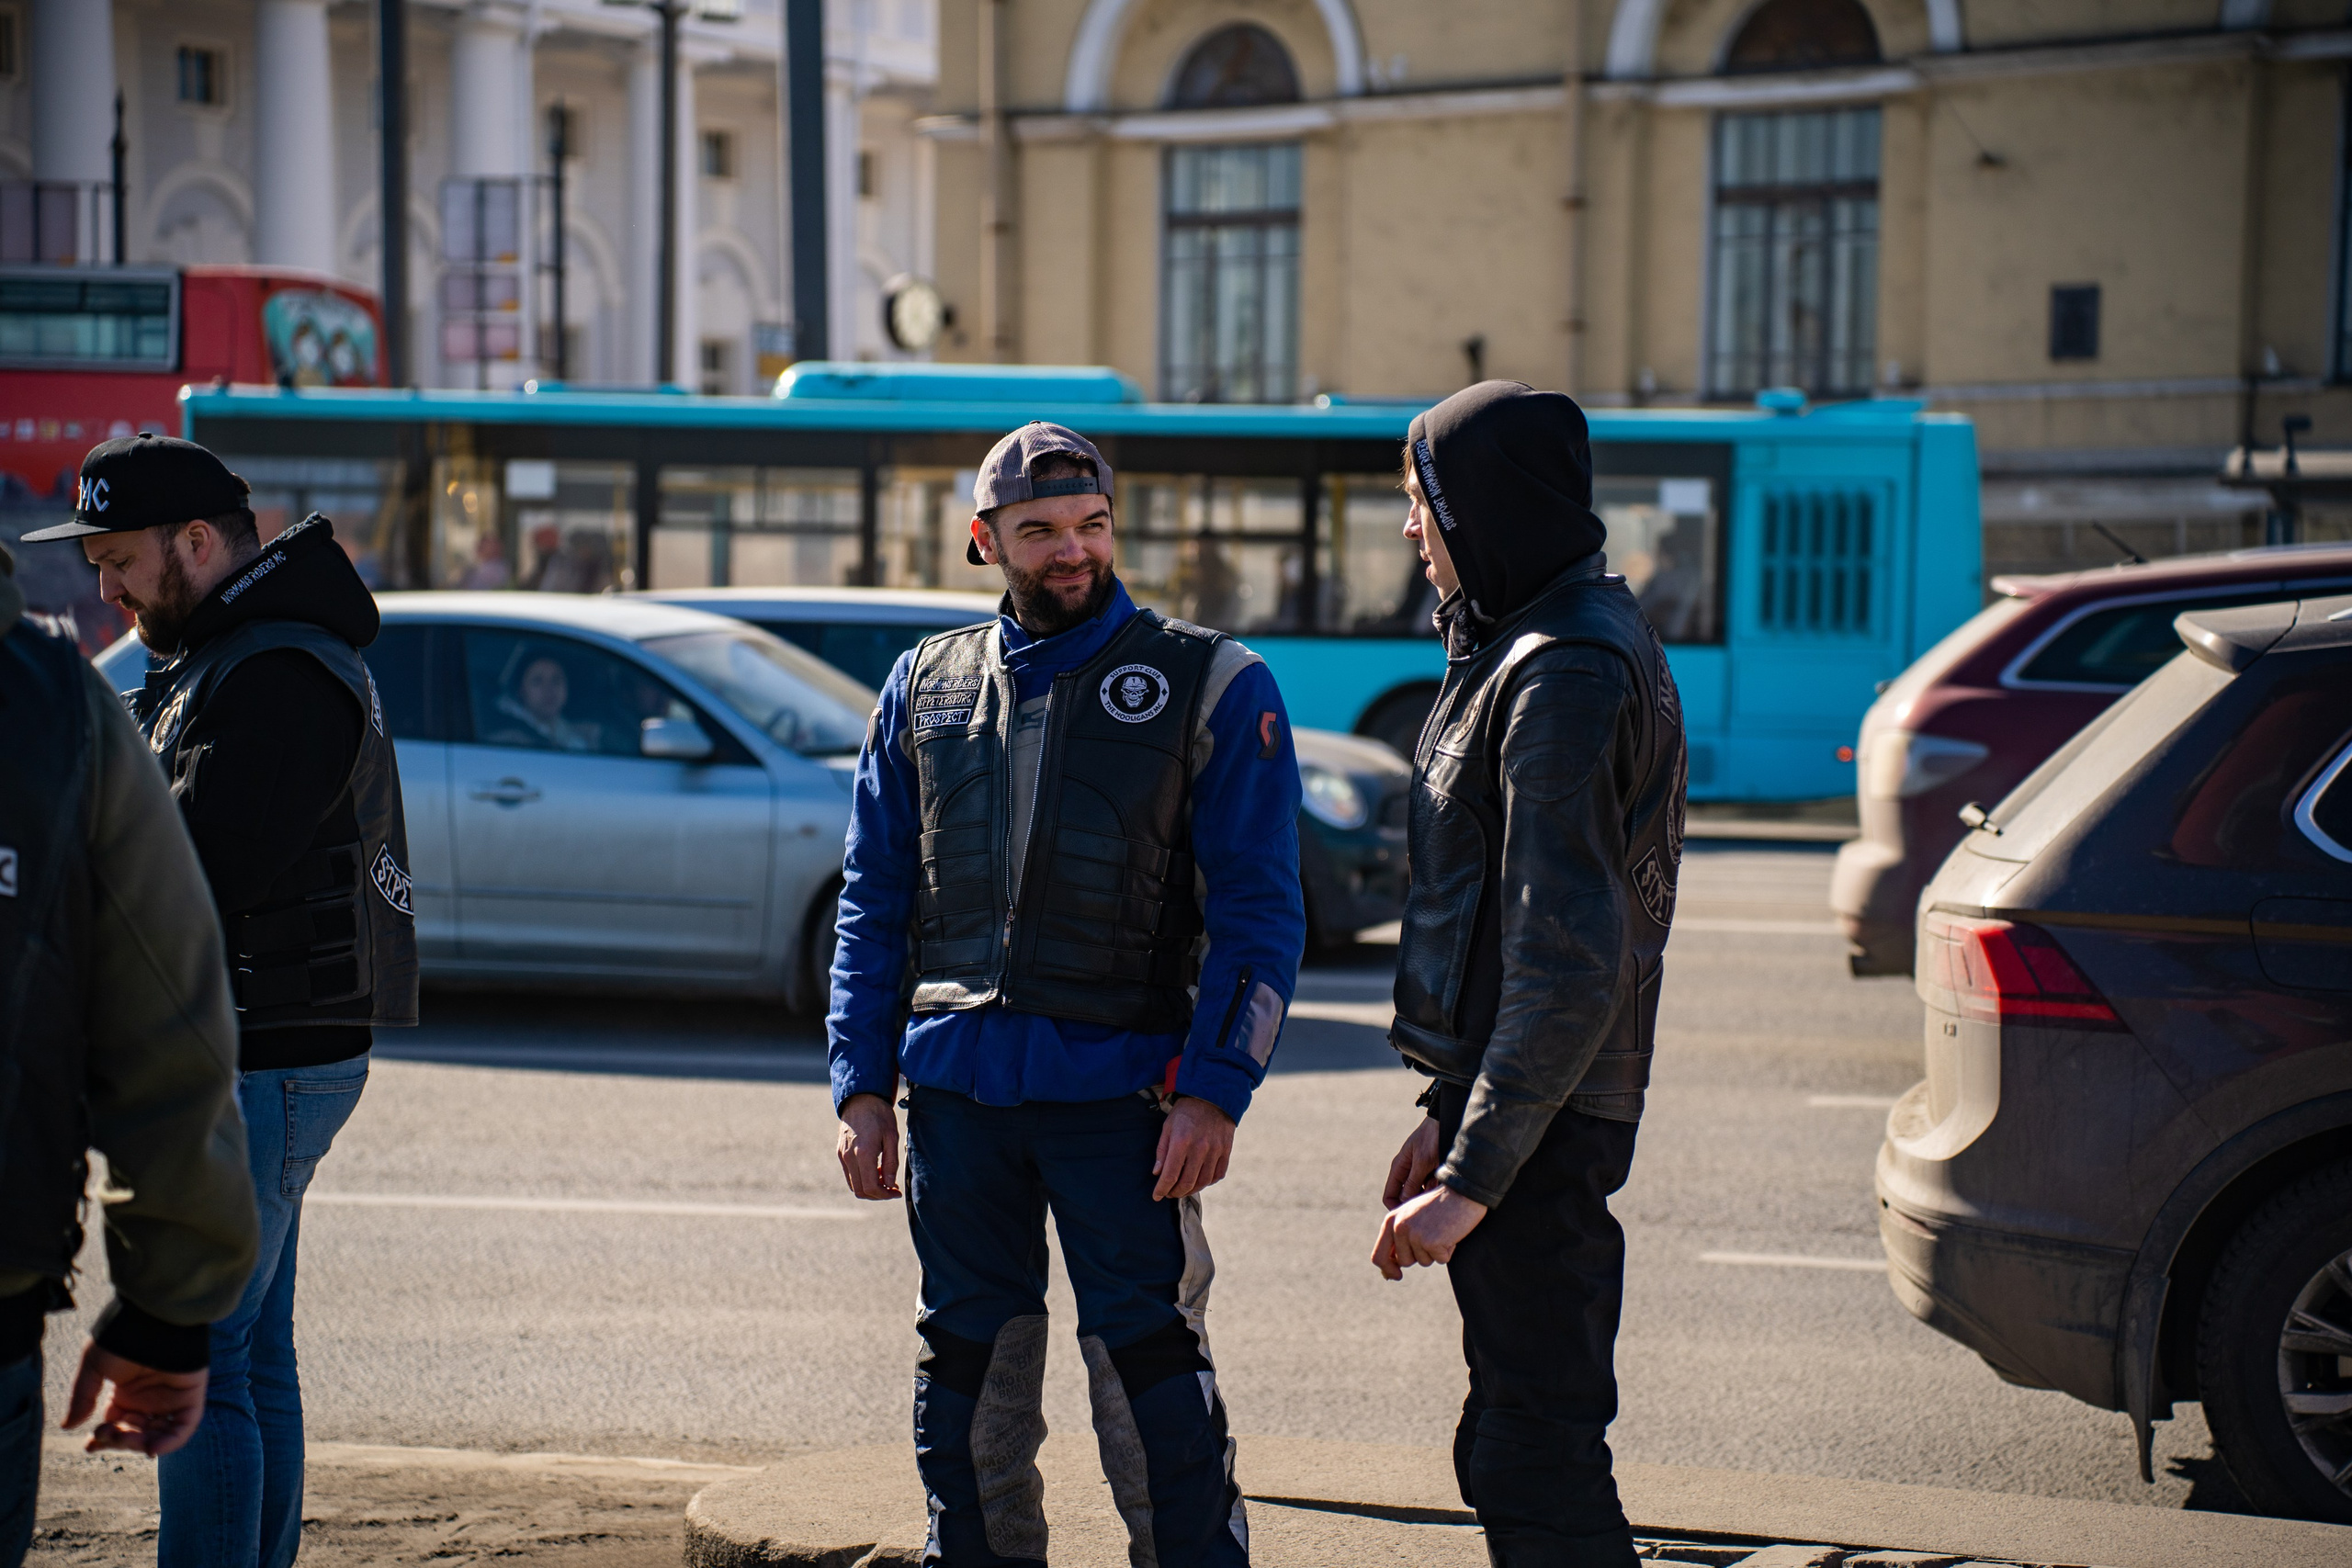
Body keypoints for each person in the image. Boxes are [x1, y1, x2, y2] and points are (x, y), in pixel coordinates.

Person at [829, 422, 1306, 1567]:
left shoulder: (1215, 682)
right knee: (967, 1378)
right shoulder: (921, 686)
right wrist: (861, 1086)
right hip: (956, 1103)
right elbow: (873, 898)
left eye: (1089, 526)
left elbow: (1259, 914)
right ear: (983, 542)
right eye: (1038, 531)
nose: (1070, 551)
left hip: (1128, 1107)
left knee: (1150, 1376)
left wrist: (1216, 1094)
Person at [26, 434, 419, 1568]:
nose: (103, 588)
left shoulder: (275, 671)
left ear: (196, 544)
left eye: (118, 561)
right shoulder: (239, 648)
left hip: (262, 1055)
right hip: (275, 1047)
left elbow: (189, 881)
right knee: (253, 1360)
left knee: (196, 1363)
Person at [1367, 383, 1687, 1568]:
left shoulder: (1558, 675)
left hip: (1546, 1130)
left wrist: (1473, 1179)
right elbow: (1505, 930)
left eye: (1419, 502)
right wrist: (1443, 1117)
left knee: (1533, 1460)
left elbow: (1562, 960)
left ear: (1480, 508)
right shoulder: (1530, 637)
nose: (1409, 530)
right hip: (1520, 1114)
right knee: (1519, 1440)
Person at [0, 543, 259, 1568]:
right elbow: (171, 1025)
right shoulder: (55, 711)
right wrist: (166, 1309)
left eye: (117, 560)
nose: (102, 590)